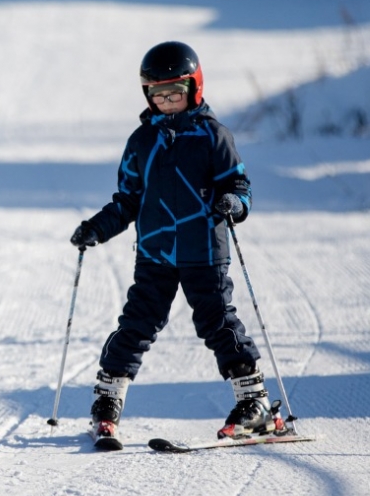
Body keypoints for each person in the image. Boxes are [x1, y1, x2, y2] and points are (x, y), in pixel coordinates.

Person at [69, 41, 271, 448]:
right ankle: (107, 404)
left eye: (174, 93)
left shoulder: (214, 136)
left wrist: (234, 203)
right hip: (155, 255)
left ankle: (255, 402)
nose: (166, 101)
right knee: (137, 325)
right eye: (158, 94)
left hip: (204, 253)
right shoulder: (141, 142)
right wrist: (97, 228)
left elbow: (239, 184)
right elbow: (127, 200)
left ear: (193, 89)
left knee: (218, 324)